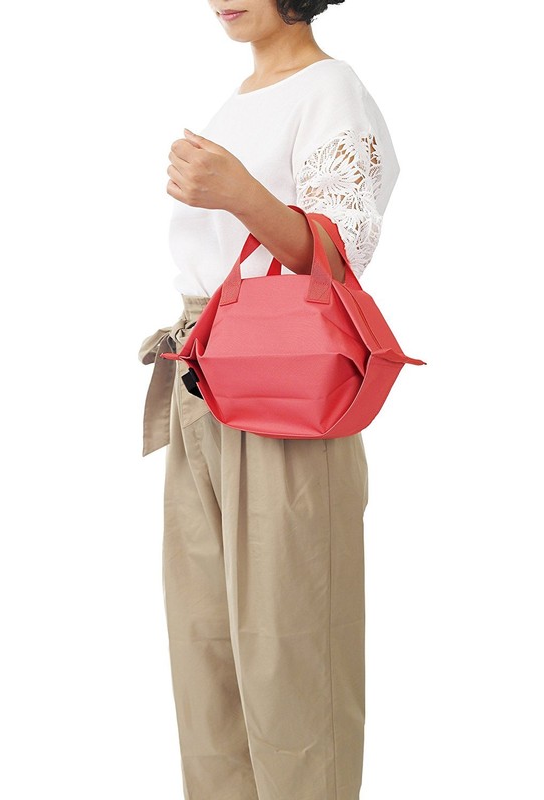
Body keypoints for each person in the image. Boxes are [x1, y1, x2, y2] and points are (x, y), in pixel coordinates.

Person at [138, 2, 400, 798]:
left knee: (293, 659)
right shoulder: (239, 98)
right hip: (200, 373)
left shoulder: (330, 88)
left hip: (285, 384)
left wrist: (239, 192)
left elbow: (337, 258)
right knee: (207, 655)